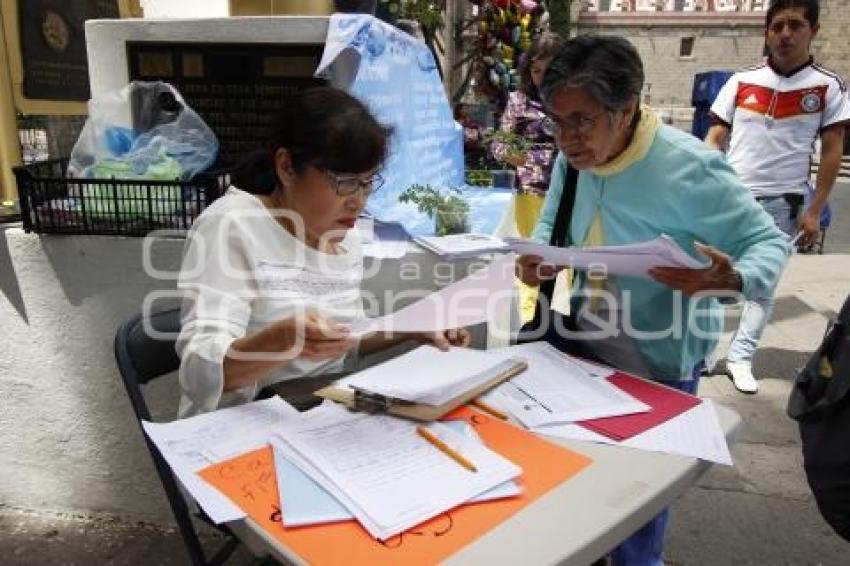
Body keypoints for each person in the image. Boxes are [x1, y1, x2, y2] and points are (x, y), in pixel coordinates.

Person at [516, 35, 789, 566]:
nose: (566, 138)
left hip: (659, 357)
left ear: (627, 107)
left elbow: (769, 241)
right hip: (583, 340)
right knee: (584, 479)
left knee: (638, 500)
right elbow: (553, 219)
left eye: (581, 120)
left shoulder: (690, 168)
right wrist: (539, 256)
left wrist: (730, 280)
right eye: (556, 120)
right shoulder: (573, 158)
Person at [176, 87, 470, 418]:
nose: (358, 200)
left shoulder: (346, 238)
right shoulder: (232, 225)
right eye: (344, 181)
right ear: (287, 167)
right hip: (237, 428)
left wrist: (413, 325)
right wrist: (284, 340)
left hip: (317, 416)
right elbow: (199, 376)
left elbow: (345, 340)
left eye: (368, 182)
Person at [705, 0, 850, 394]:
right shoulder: (740, 81)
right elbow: (714, 139)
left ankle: (740, 358)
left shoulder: (827, 86)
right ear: (767, 31)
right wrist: (706, 184)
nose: (786, 34)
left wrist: (814, 210)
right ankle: (703, 352)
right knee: (713, 279)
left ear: (813, 31)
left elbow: (833, 151)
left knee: (761, 286)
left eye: (796, 25)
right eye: (778, 25)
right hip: (731, 198)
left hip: (781, 203)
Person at [490, 32, 564, 321]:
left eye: (550, 71)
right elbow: (498, 144)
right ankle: (529, 324)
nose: (542, 78)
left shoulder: (576, 99)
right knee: (535, 259)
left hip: (573, 188)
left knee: (568, 261)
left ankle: (565, 323)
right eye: (536, 71)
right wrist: (511, 155)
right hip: (532, 191)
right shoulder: (519, 101)